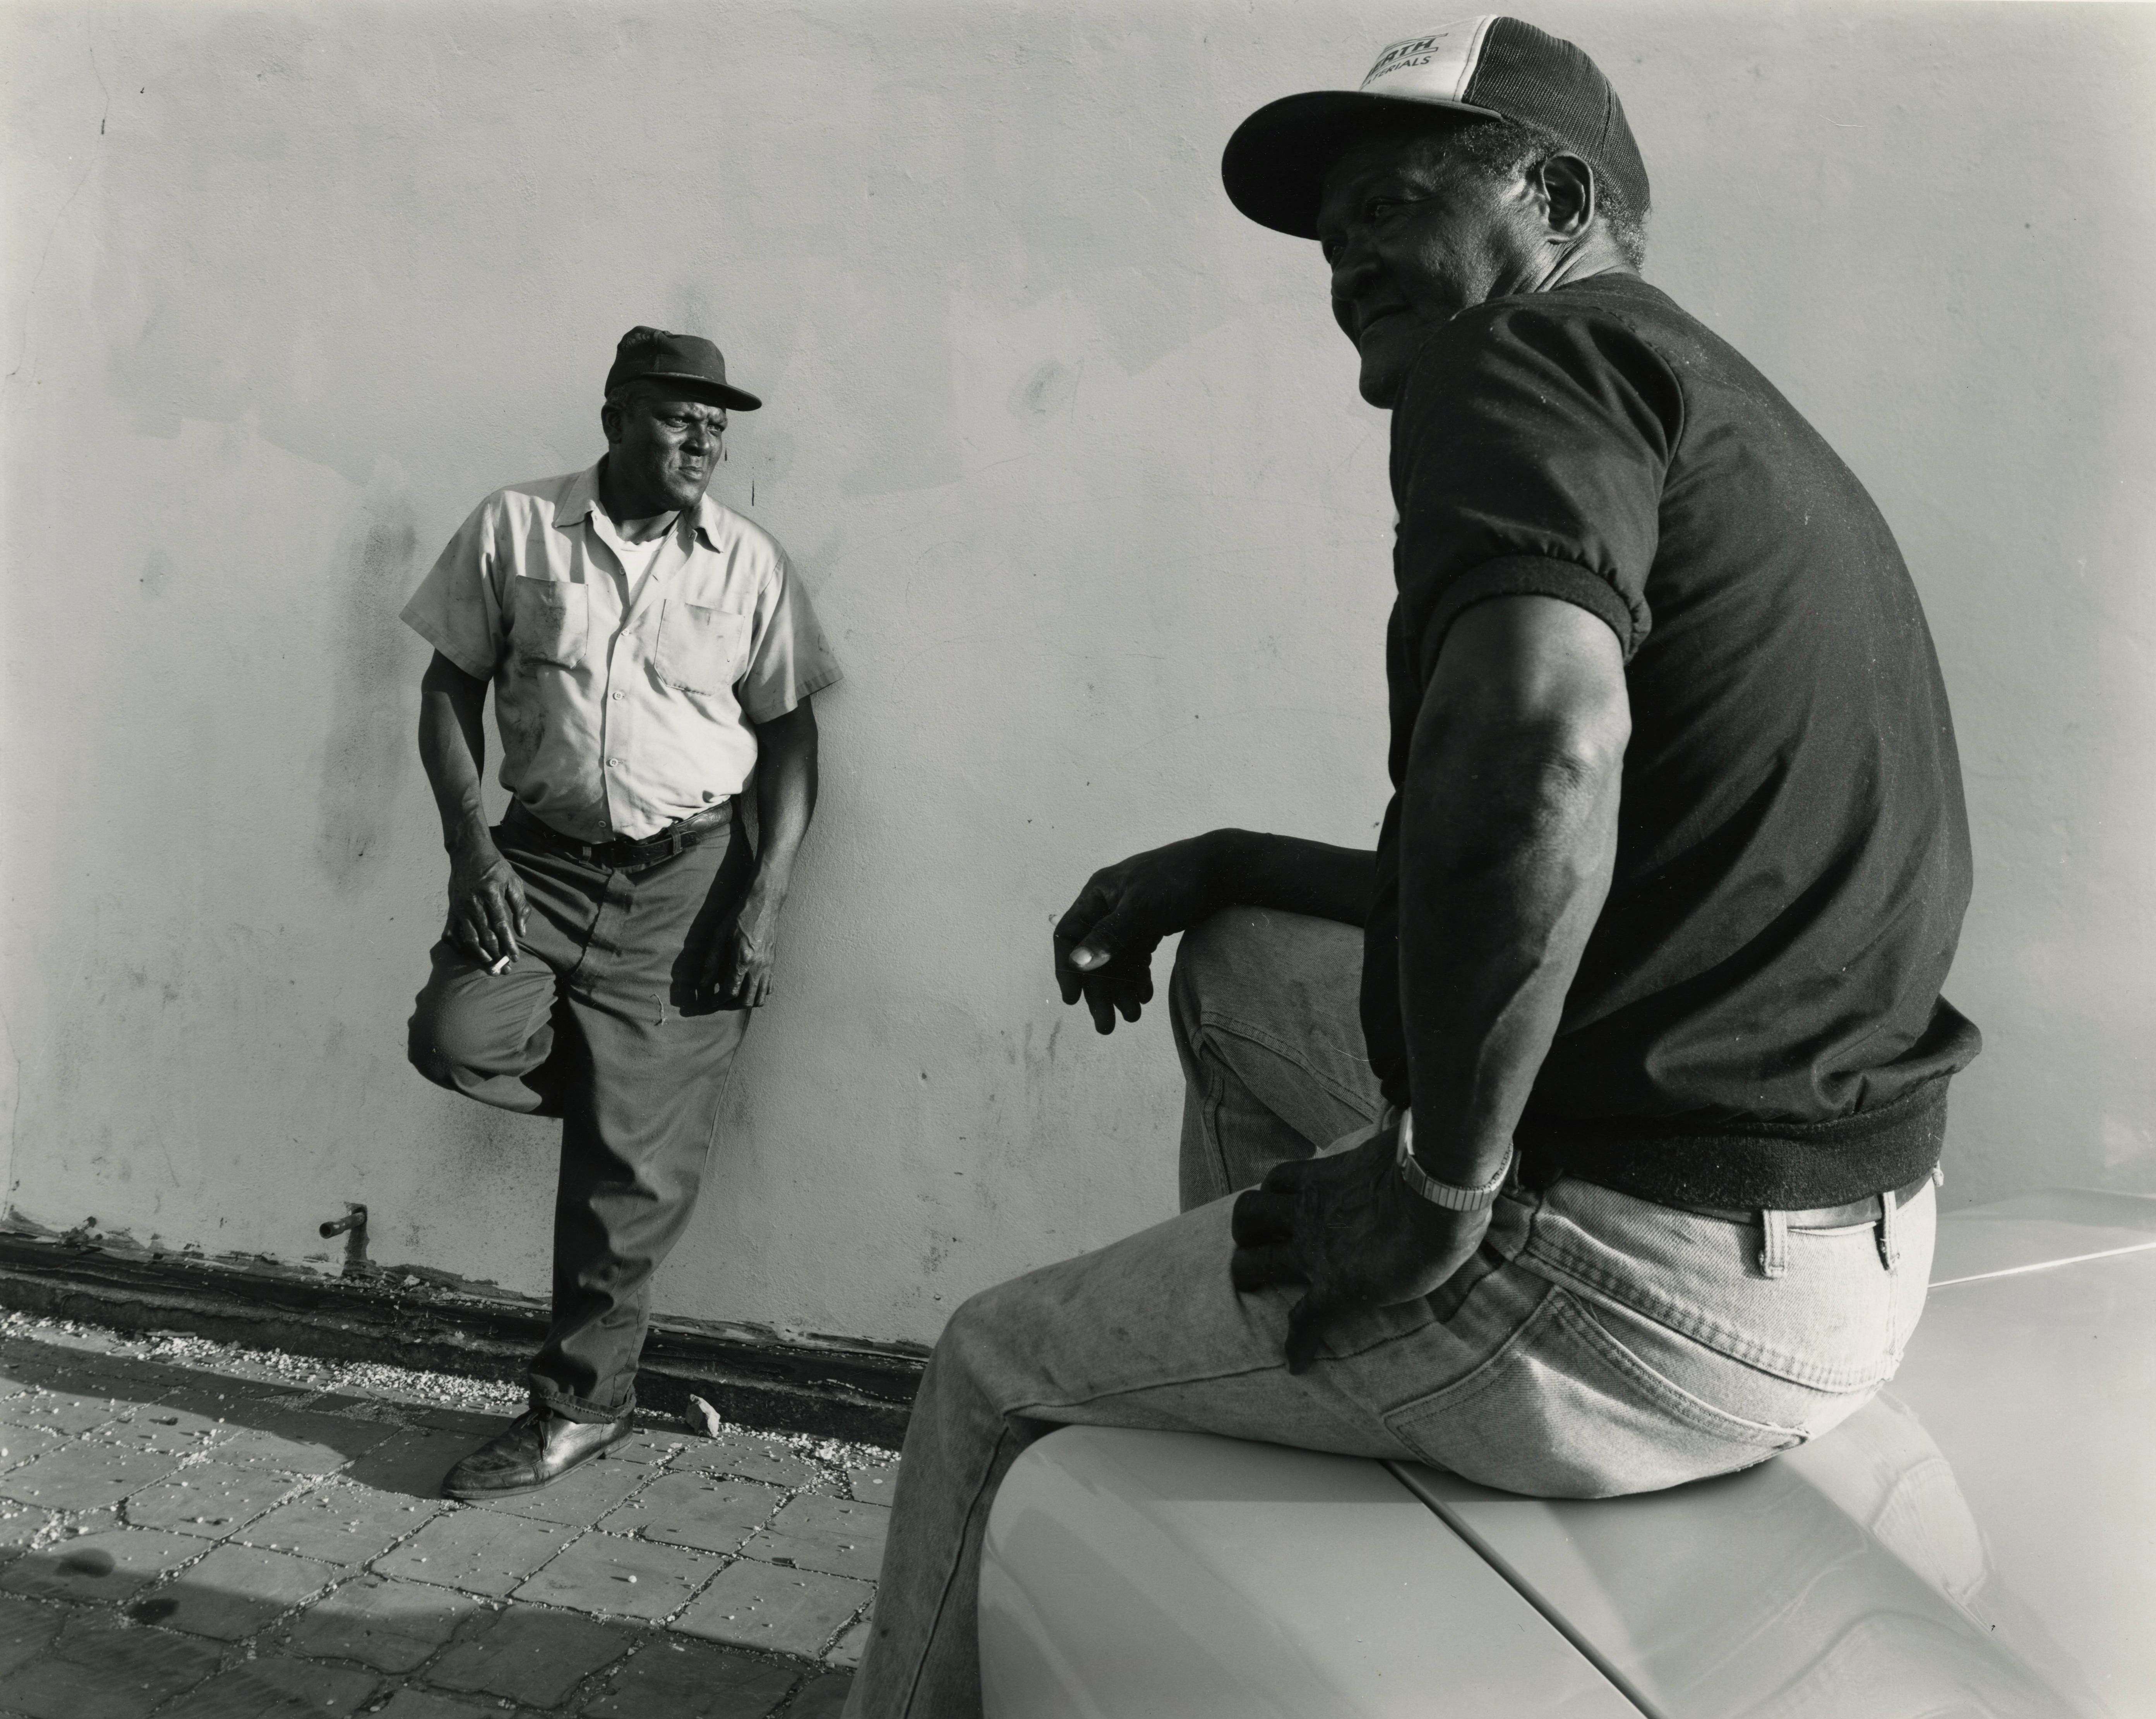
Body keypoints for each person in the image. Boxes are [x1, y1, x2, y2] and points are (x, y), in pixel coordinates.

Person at [845, 18, 1978, 1715]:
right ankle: (1262, 1454)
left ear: (1555, 190)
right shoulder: (1715, 400)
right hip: (1843, 1254)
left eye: (1389, 200)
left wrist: (1437, 1185)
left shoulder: (1514, 359)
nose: (1345, 254)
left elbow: (1538, 757)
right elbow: (1635, 863)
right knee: (1236, 965)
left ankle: (1333, 1315)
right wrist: (1227, 856)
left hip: (1630, 1278)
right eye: (1329, 232)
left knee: (996, 1369)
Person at [400, 326, 841, 1498]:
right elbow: (448, 686)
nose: (704, 437)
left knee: (627, 1184)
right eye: (677, 415)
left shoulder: (747, 562)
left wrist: (767, 893)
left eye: (718, 423)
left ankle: (579, 1407)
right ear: (613, 418)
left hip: (688, 881)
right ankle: (634, 1098)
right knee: (456, 1035)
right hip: (535, 867)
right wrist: (470, 851)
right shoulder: (514, 528)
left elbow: (792, 735)